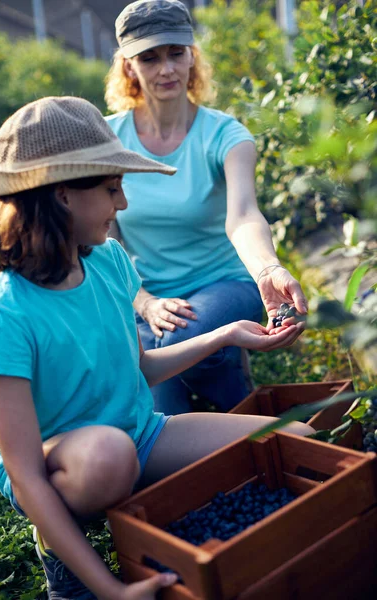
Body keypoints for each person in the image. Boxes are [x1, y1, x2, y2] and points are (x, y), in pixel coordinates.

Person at [0, 96, 312, 600]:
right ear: (64, 195)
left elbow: (139, 368)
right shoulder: (6, 313)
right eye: (112, 189)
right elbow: (24, 474)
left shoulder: (109, 261)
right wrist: (110, 590)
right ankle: (59, 547)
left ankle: (142, 505)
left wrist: (224, 334)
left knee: (297, 438)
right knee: (109, 456)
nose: (123, 205)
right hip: (71, 467)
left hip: (140, 435)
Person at [104, 0, 308, 415]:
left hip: (224, 285)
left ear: (191, 56)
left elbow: (243, 215)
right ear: (128, 65)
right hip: (148, 298)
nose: (166, 69)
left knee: (177, 342)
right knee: (158, 418)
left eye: (176, 53)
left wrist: (268, 268)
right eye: (149, 57)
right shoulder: (108, 140)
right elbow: (104, 237)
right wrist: (141, 301)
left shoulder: (225, 134)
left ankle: (265, 427)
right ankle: (225, 363)